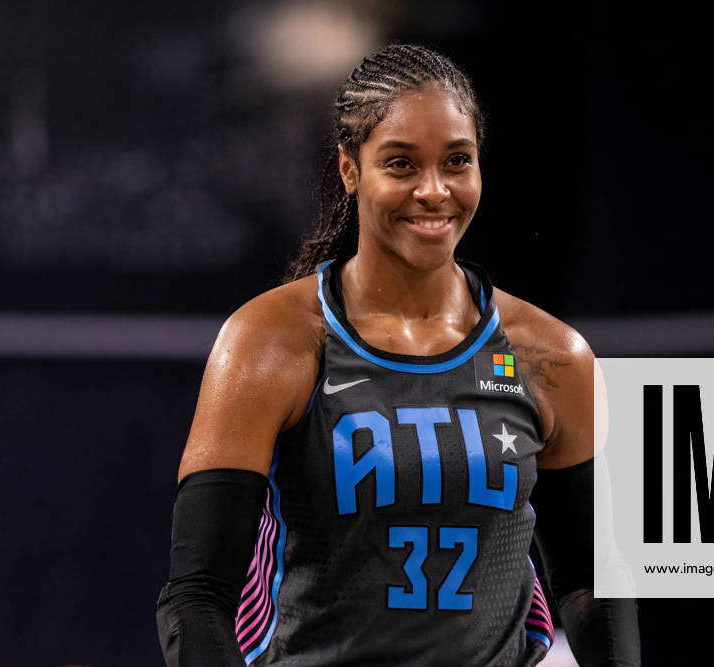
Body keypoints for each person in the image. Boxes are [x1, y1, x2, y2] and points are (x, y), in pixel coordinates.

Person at [155, 43, 640, 666]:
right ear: (351, 170)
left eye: (457, 162)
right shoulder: (271, 340)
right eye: (401, 164)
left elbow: (590, 582)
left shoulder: (551, 355)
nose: (434, 191)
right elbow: (197, 596)